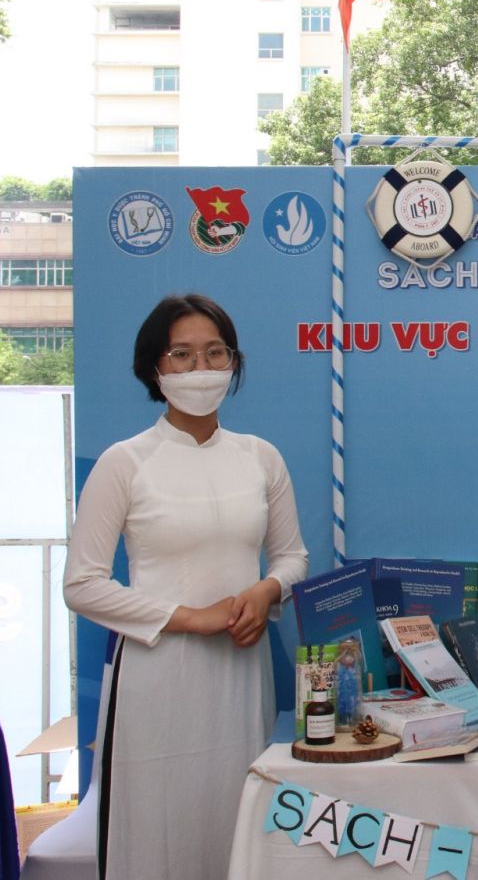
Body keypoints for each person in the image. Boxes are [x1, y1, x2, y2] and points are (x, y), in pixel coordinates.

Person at [63, 294, 309, 880]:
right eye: (182, 354)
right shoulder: (125, 462)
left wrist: (266, 591)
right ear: (155, 367)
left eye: (214, 353)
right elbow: (82, 585)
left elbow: (292, 557)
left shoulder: (261, 458)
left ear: (233, 362)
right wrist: (191, 618)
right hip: (156, 679)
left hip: (241, 674)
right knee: (157, 831)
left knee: (237, 822)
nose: (200, 368)